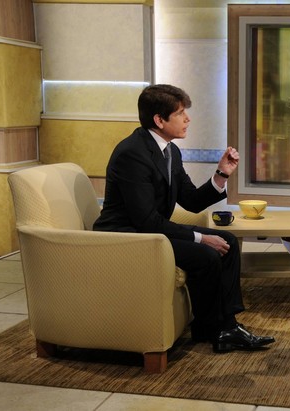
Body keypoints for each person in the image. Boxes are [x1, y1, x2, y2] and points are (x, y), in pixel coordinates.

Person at [93, 84, 275, 353]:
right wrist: (201, 238)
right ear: (159, 119)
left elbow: (190, 200)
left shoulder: (170, 151)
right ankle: (221, 327)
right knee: (207, 253)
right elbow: (145, 221)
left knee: (227, 240)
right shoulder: (133, 154)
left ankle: (221, 325)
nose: (187, 119)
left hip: (149, 230)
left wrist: (221, 174)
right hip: (127, 235)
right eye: (180, 113)